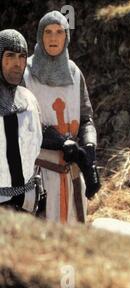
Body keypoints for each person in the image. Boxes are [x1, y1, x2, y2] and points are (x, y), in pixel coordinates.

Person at [24, 11, 100, 224]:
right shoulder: (26, 74)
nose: (53, 38)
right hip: (38, 175)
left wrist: (90, 158)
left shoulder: (74, 73)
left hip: (72, 175)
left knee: (72, 243)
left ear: (66, 37)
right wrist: (61, 142)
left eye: (59, 32)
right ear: (40, 36)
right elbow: (24, 125)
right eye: (48, 32)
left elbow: (86, 119)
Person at [0, 29, 43, 213]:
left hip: (28, 203)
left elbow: (35, 148)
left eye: (22, 56)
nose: (17, 64)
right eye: (10, 56)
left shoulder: (30, 101)